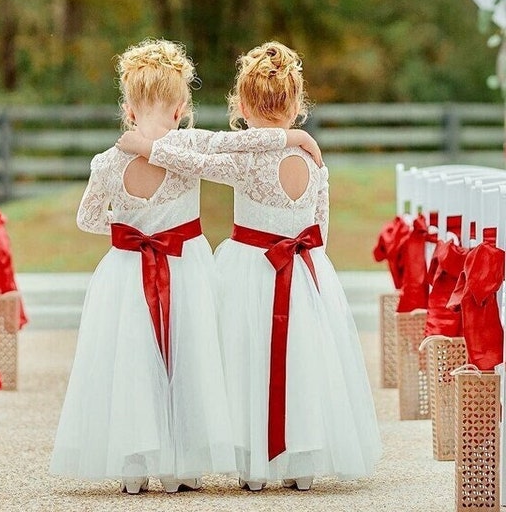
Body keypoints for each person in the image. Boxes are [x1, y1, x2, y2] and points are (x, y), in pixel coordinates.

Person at [50, 38, 321, 495]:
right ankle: (183, 468)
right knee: (188, 357)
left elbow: (88, 219)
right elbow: (241, 144)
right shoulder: (189, 146)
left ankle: (134, 468)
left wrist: (127, 226)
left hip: (126, 271)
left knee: (132, 359)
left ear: (129, 109)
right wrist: (291, 136)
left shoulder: (108, 163)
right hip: (184, 265)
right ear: (181, 109)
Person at [117, 41, 382, 492]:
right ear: (297, 104)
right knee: (304, 362)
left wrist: (146, 146)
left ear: (239, 104)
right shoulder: (315, 162)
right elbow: (322, 226)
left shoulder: (244, 162)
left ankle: (253, 465)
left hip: (252, 271)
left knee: (247, 361)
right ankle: (303, 462)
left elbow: (195, 161)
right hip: (306, 272)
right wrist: (294, 137)